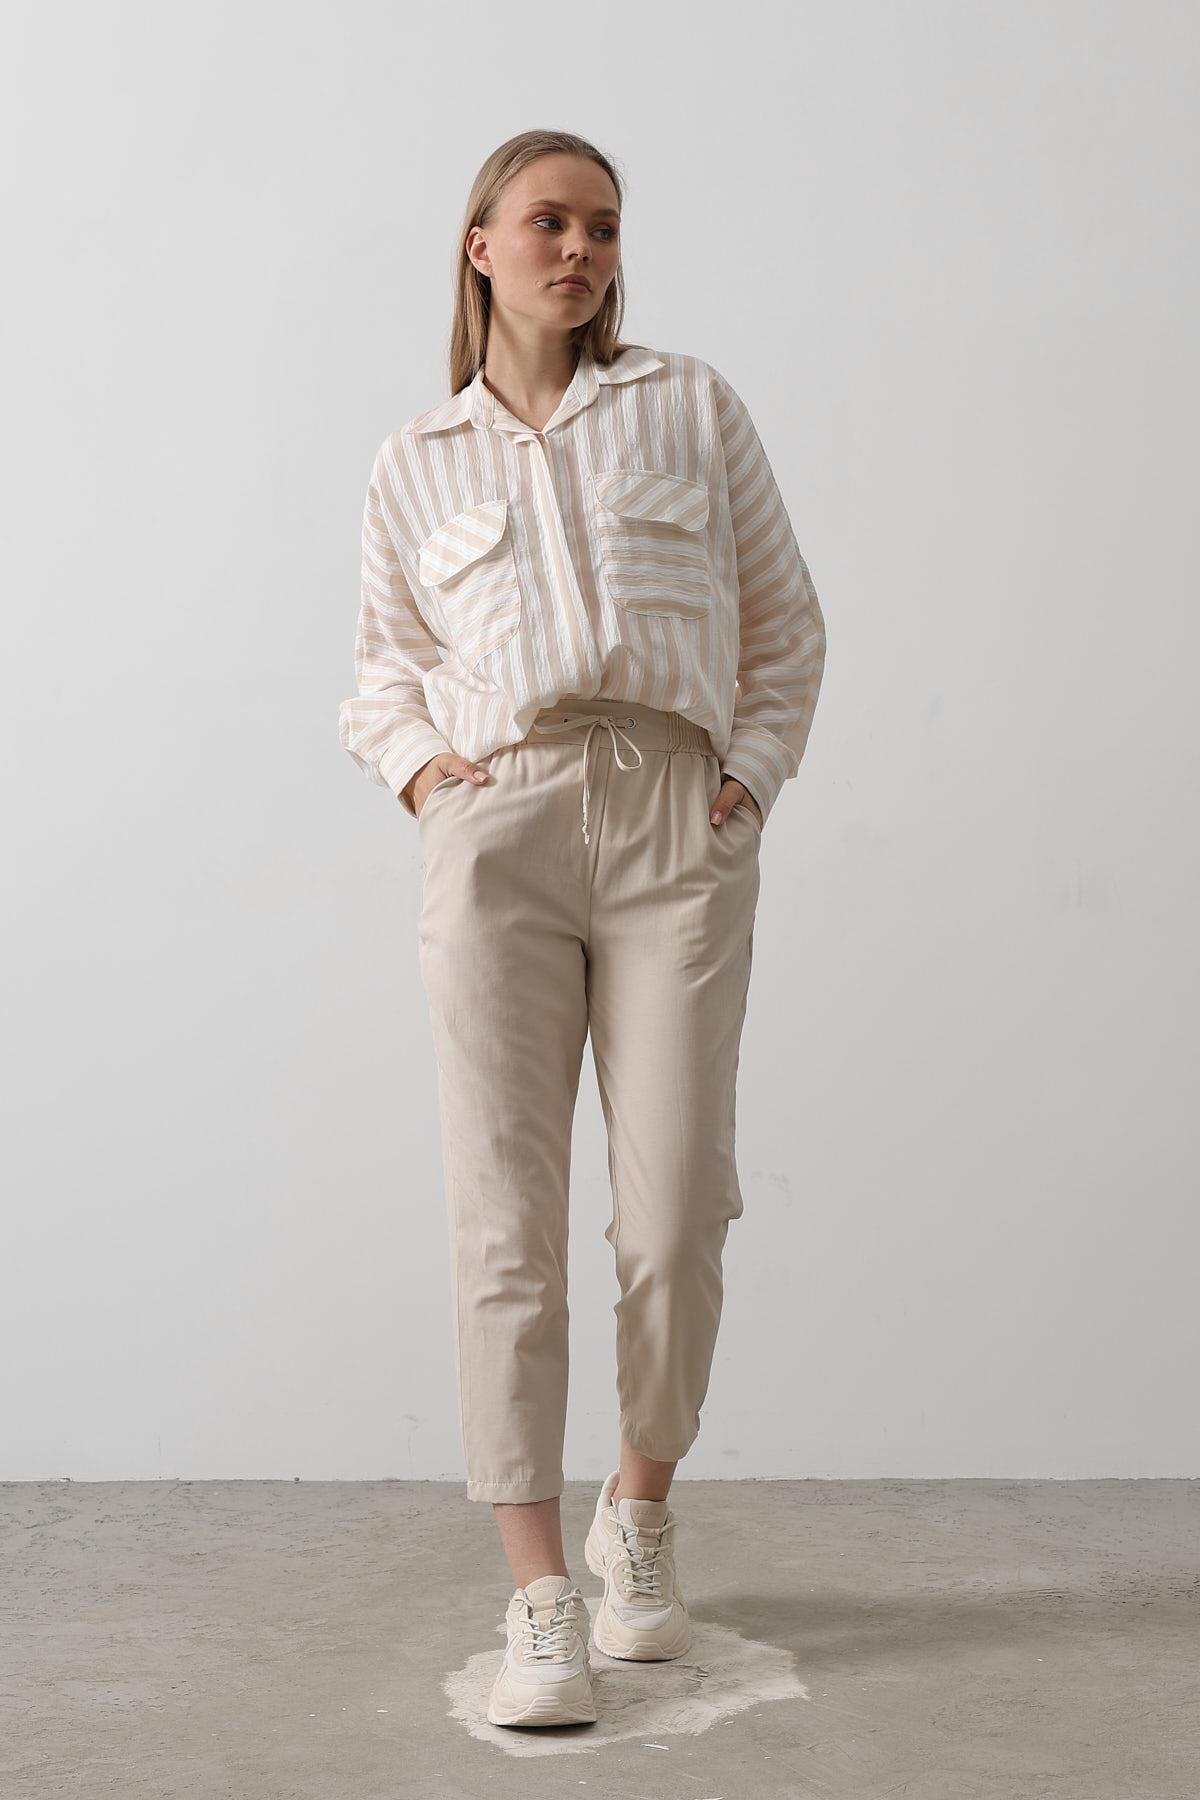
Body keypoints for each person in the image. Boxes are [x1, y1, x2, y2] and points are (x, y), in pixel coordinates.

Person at [338, 128, 827, 1729]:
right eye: (549, 221)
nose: (582, 250)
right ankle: (540, 1593)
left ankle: (639, 1510)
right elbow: (379, 673)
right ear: (479, 244)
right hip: (503, 832)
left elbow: (786, 625)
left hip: (675, 822)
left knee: (674, 1212)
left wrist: (745, 785)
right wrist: (432, 782)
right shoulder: (417, 459)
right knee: (504, 1224)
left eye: (604, 228)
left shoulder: (690, 406)